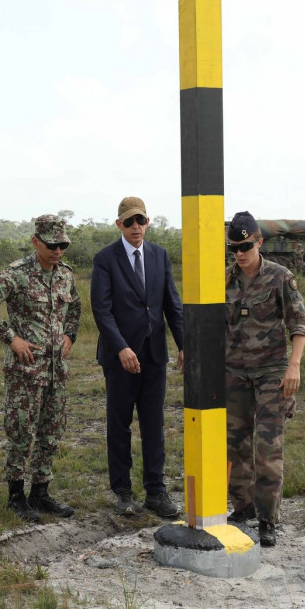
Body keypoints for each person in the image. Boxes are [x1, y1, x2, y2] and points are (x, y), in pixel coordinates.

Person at [0, 215, 81, 522]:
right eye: (52, 245)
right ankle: (16, 496)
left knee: (51, 432)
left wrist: (69, 336)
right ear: (36, 242)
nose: (58, 251)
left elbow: (74, 308)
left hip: (56, 370)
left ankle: (41, 493)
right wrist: (11, 339)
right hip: (26, 370)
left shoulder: (66, 276)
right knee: (21, 432)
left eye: (63, 245)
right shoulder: (17, 274)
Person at [91, 197, 185, 518]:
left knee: (153, 423)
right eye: (129, 222)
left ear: (148, 222)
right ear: (119, 224)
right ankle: (122, 492)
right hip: (120, 359)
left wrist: (183, 344)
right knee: (119, 424)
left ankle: (156, 491)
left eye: (140, 221)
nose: (135, 227)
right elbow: (102, 311)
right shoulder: (105, 259)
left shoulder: (160, 255)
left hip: (154, 355)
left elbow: (171, 304)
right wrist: (120, 348)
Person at [224, 212, 305, 547]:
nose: (240, 253)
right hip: (234, 375)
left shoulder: (280, 277)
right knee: (235, 446)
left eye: (246, 246)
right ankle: (242, 508)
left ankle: (267, 519)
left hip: (272, 374)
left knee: (268, 448)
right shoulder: (224, 279)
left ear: (259, 242)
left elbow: (298, 325)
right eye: (234, 247)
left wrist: (295, 366)